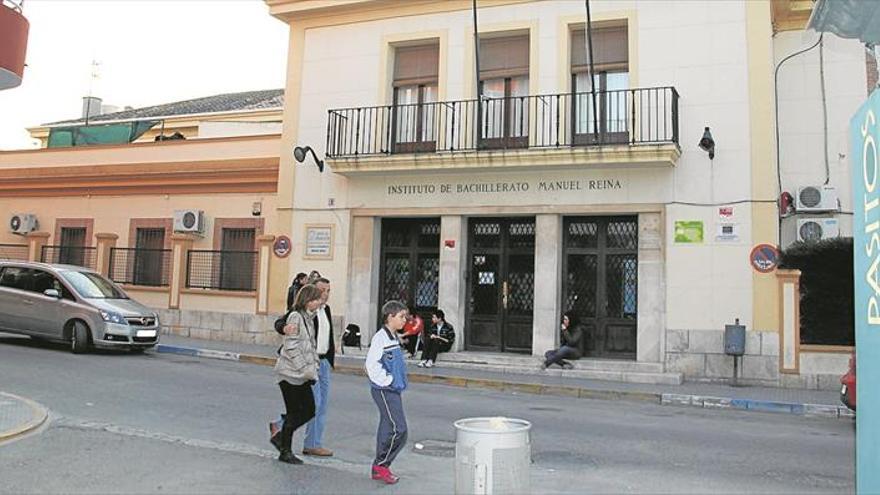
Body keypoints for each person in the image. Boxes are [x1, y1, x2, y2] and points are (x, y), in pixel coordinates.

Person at [272, 284, 323, 464]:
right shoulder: (295, 316)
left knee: (308, 410)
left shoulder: (309, 317)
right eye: (316, 299)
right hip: (290, 373)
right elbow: (291, 346)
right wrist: (304, 369)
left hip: (301, 374)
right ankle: (285, 450)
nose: (319, 302)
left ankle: (281, 438)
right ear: (307, 300)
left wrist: (313, 364)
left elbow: (310, 345)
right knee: (297, 412)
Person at [365, 300, 410, 484]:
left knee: (387, 427)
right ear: (390, 317)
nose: (404, 321)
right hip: (384, 389)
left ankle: (379, 468)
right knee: (399, 429)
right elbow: (371, 365)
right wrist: (388, 381)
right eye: (401, 317)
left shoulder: (392, 337)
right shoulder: (380, 338)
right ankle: (381, 464)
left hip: (393, 389)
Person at [302, 277, 335, 457]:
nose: (325, 294)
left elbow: (327, 336)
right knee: (314, 403)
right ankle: (282, 426)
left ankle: (313, 443)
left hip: (323, 363)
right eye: (322, 290)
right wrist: (284, 328)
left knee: (322, 405)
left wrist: (329, 359)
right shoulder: (306, 311)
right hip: (310, 362)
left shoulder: (326, 310)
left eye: (328, 290)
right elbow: (283, 322)